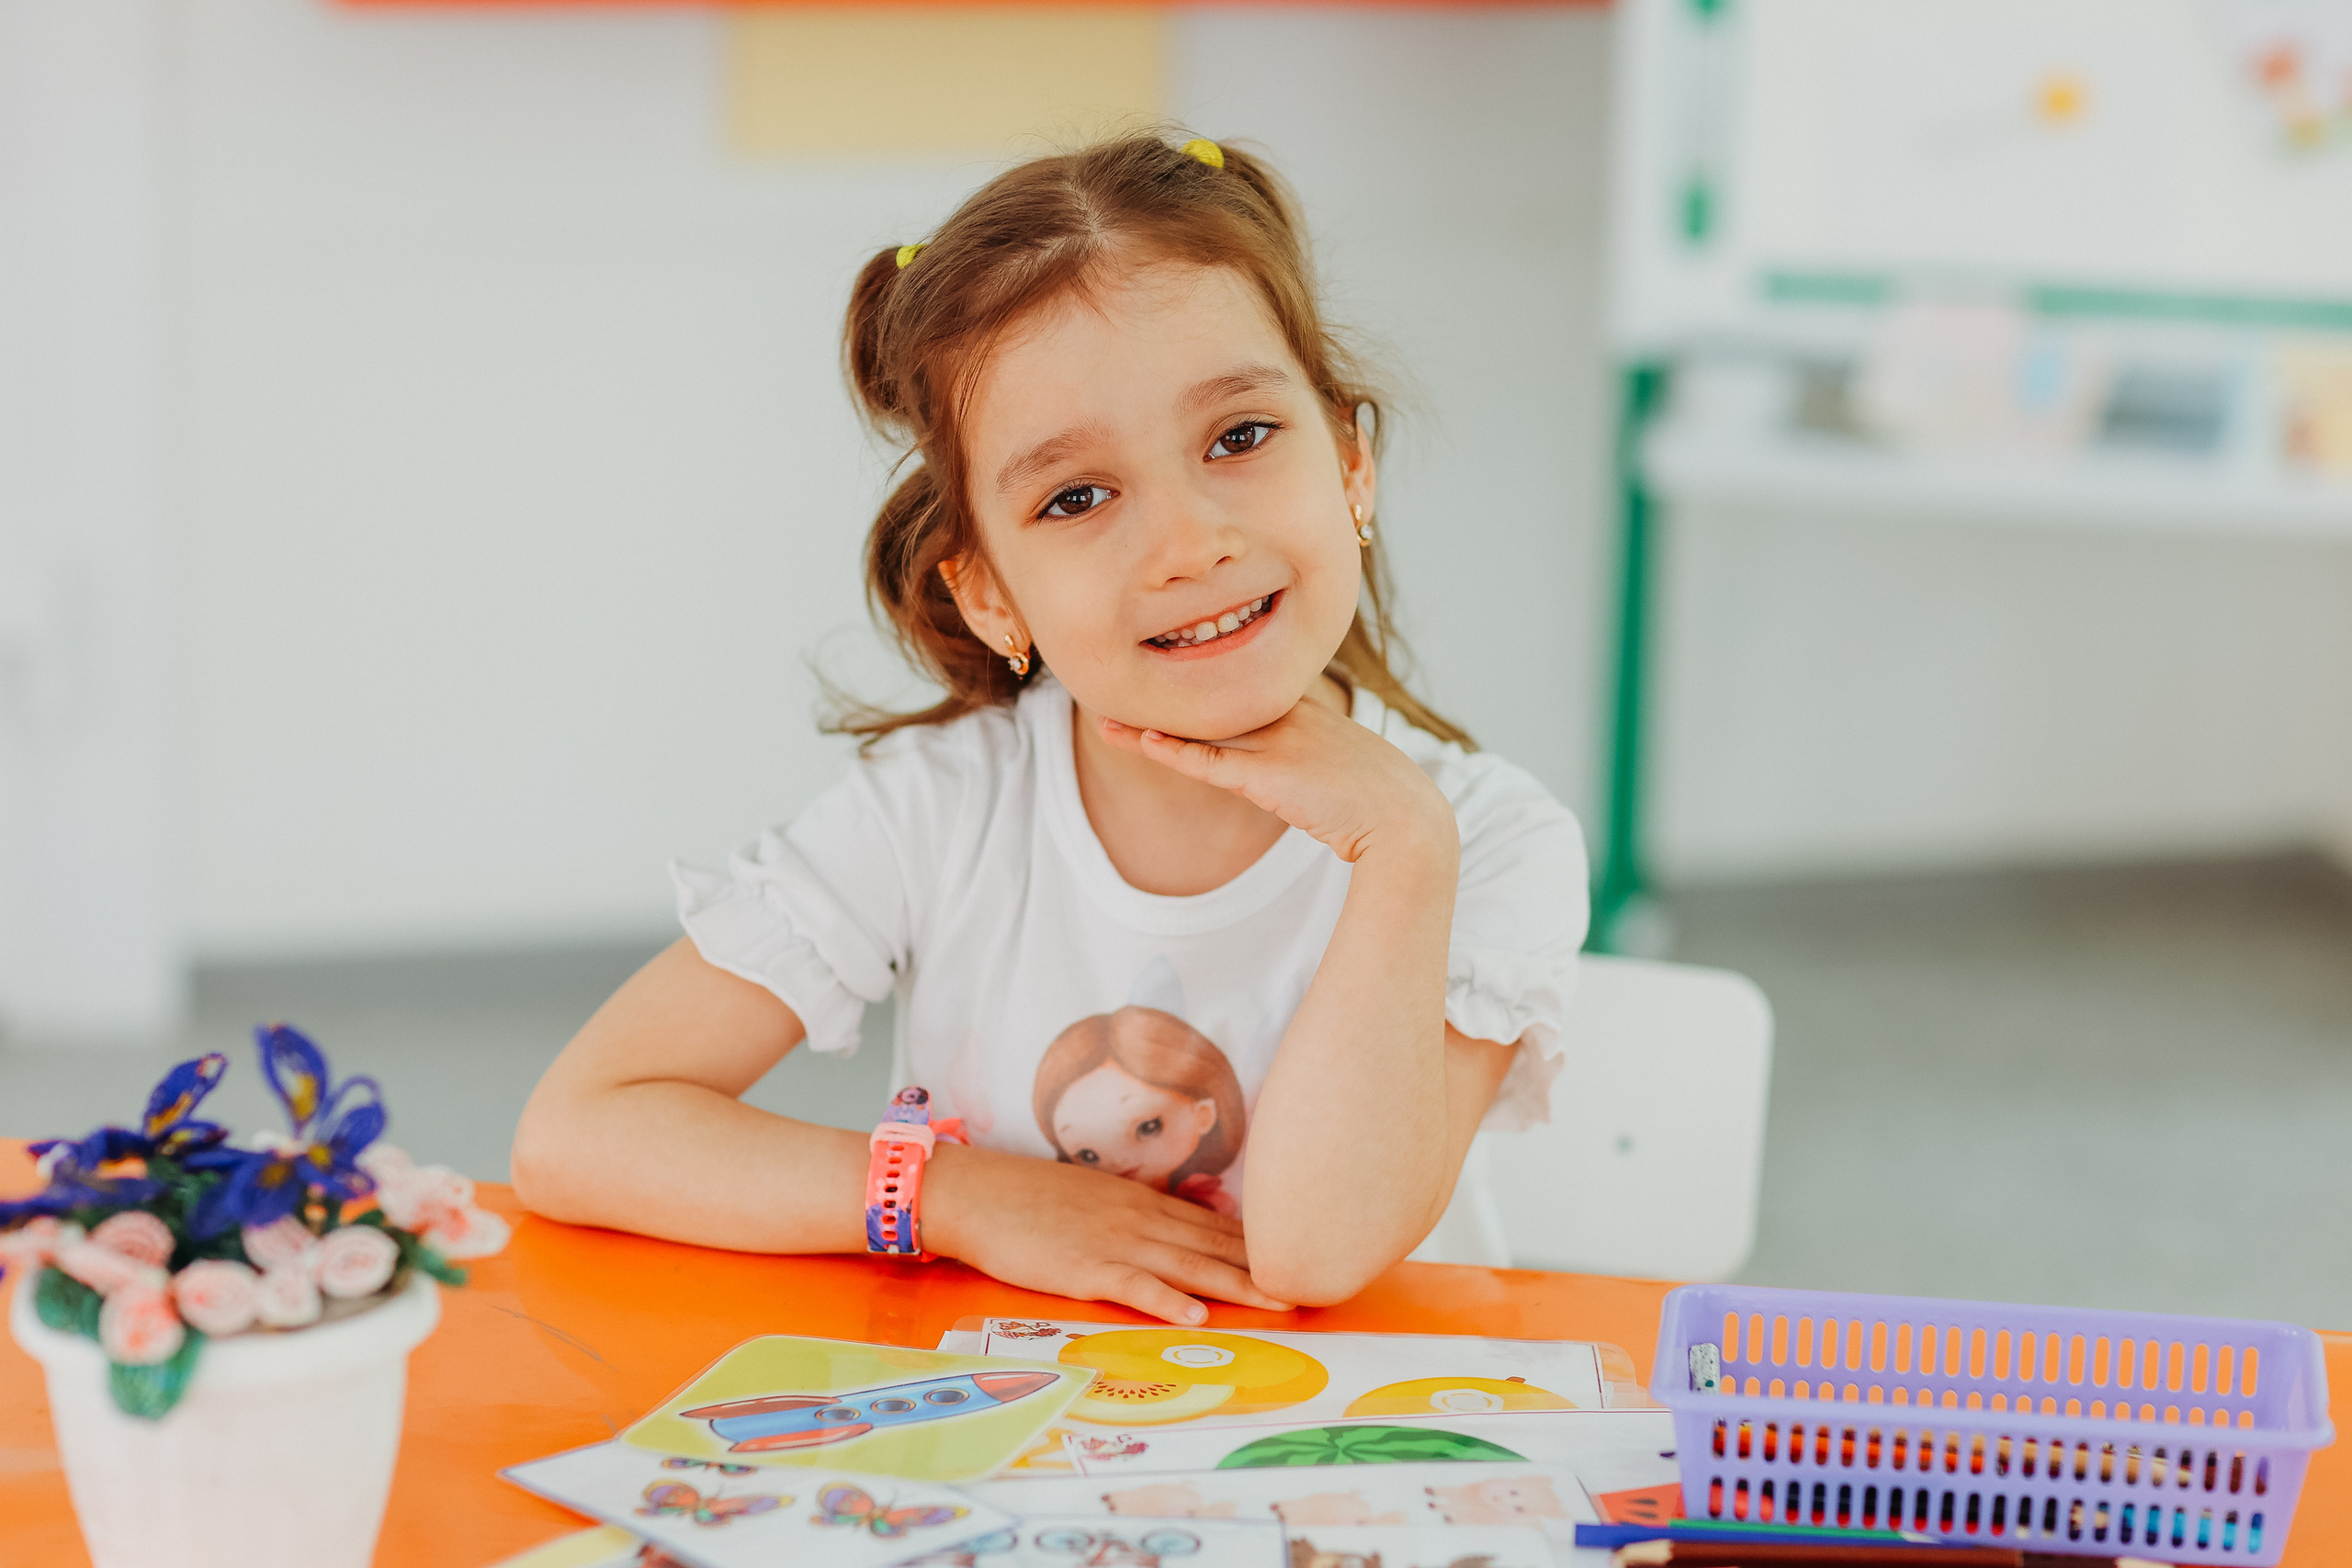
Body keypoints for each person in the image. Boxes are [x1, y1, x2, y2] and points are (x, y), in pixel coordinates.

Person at [512, 133, 1586, 1325]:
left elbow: (1311, 1259)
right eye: (1077, 497)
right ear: (989, 595)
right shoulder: (939, 810)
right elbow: (578, 1131)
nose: (1190, 545)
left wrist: (1400, 850)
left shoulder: (1481, 839)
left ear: (1350, 464)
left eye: (1239, 437)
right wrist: (960, 1198)